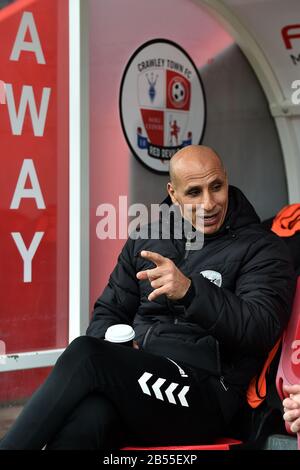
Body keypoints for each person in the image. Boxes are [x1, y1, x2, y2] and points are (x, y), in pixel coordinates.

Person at [0, 145, 296, 450]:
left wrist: (191, 292)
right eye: (194, 192)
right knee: (92, 417)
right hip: (145, 378)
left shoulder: (264, 248)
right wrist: (122, 350)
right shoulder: (146, 239)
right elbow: (107, 314)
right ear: (174, 192)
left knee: (86, 354)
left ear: (226, 180)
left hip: (206, 396)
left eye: (216, 187)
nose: (209, 203)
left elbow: (260, 327)